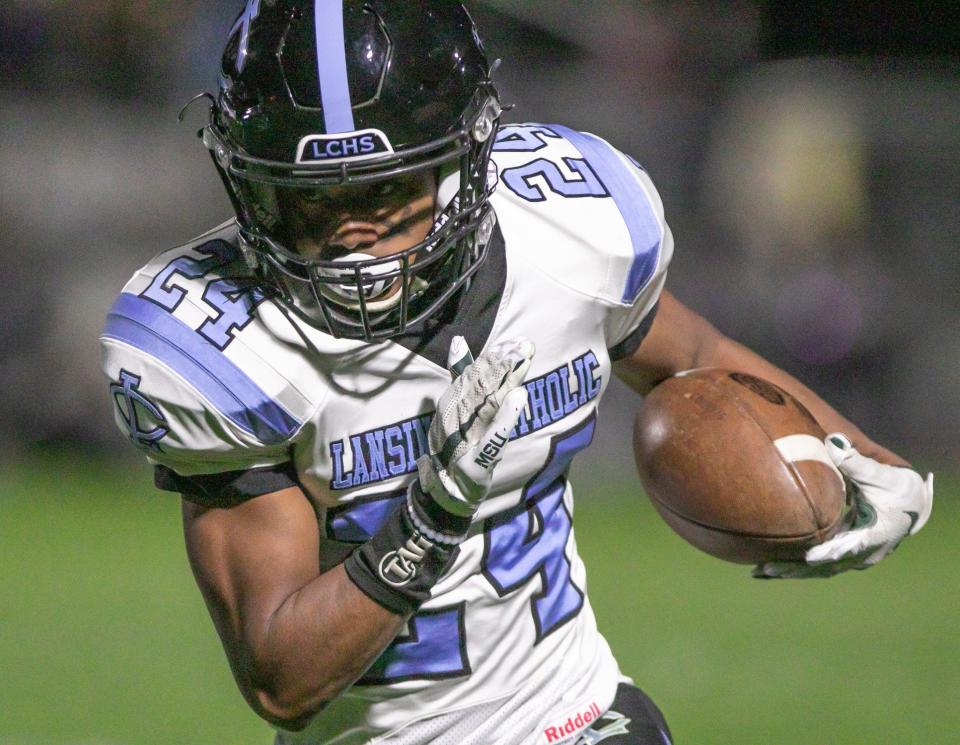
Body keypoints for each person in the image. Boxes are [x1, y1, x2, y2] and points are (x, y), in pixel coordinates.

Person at [100, 2, 933, 743]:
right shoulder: (214, 349)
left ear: (465, 161)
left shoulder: (566, 231)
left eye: (389, 191)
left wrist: (853, 456)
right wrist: (428, 518)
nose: (353, 239)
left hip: (573, 715)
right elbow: (282, 680)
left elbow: (700, 361)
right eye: (313, 200)